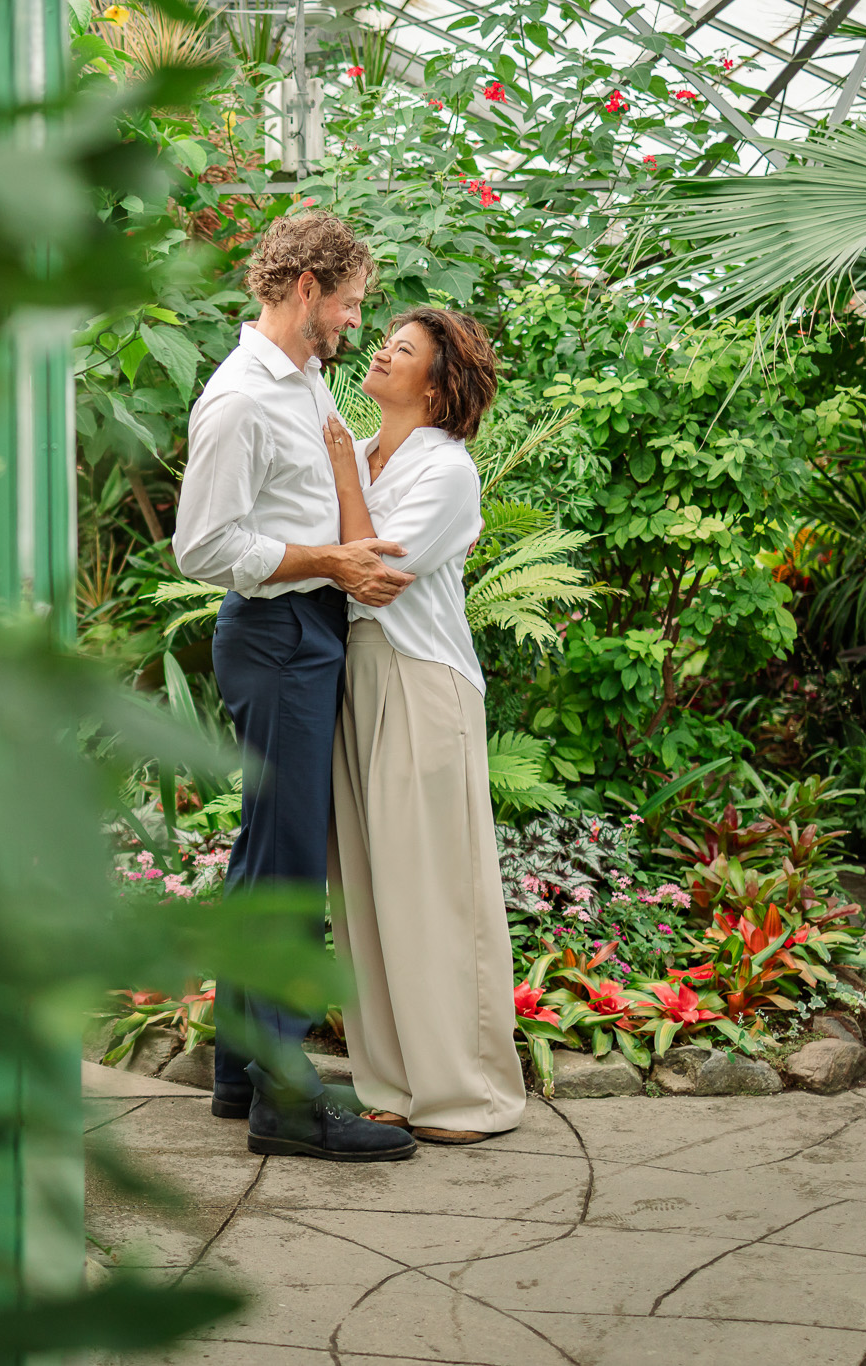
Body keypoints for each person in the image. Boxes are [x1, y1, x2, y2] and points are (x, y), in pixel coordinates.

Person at [172, 212, 419, 1163]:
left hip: (303, 626)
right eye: (351, 305)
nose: (357, 326)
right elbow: (203, 547)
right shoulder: (240, 400)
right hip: (277, 634)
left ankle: (243, 1071)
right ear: (308, 288)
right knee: (283, 874)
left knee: (264, 854)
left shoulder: (302, 377)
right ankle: (285, 1099)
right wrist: (333, 560)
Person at [321, 306, 527, 1145]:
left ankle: (465, 1097)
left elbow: (376, 576)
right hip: (354, 680)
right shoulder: (366, 453)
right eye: (383, 341)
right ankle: (392, 1085)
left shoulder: (447, 471)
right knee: (369, 893)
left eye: (400, 350)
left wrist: (339, 478)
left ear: (436, 387)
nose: (380, 352)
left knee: (436, 892)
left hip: (419, 679)